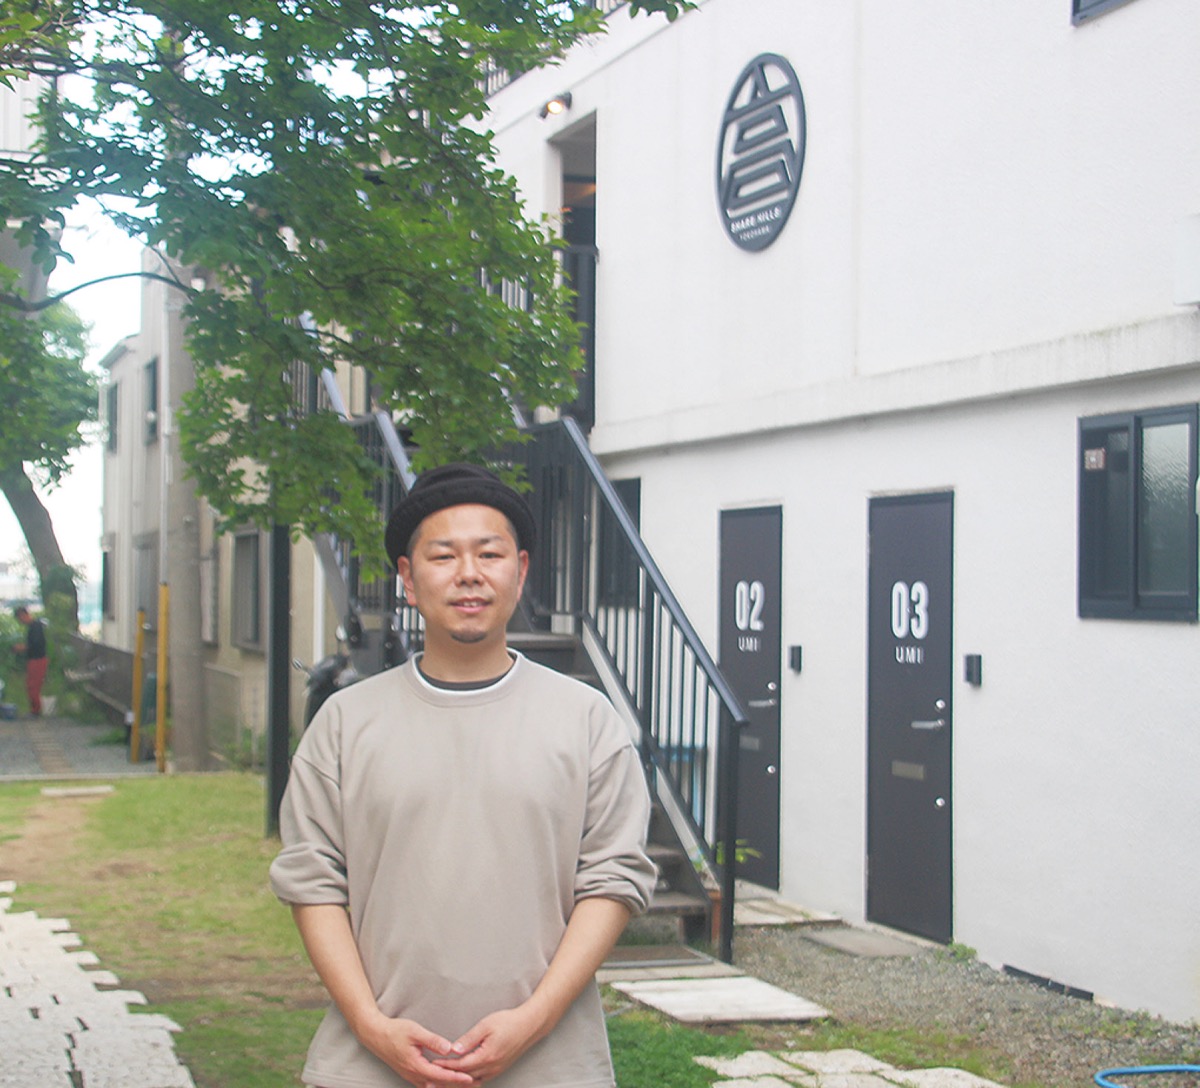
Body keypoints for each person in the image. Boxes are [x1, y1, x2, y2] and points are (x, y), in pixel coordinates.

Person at [269, 463, 656, 1088]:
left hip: (550, 1068)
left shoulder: (587, 721)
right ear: (407, 577)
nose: (469, 573)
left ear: (520, 571)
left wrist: (534, 1021)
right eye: (444, 555)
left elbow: (613, 879)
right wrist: (370, 1026)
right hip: (367, 1068)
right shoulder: (344, 723)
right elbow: (312, 882)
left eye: (490, 554)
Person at [13, 606, 48, 718]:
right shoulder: (32, 627)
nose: (20, 622)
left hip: (38, 659)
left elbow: (35, 645)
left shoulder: (36, 627)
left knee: (34, 685)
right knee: (30, 684)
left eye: (20, 619)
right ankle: (34, 709)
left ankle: (36, 711)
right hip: (33, 659)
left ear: (24, 615)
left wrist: (22, 647)